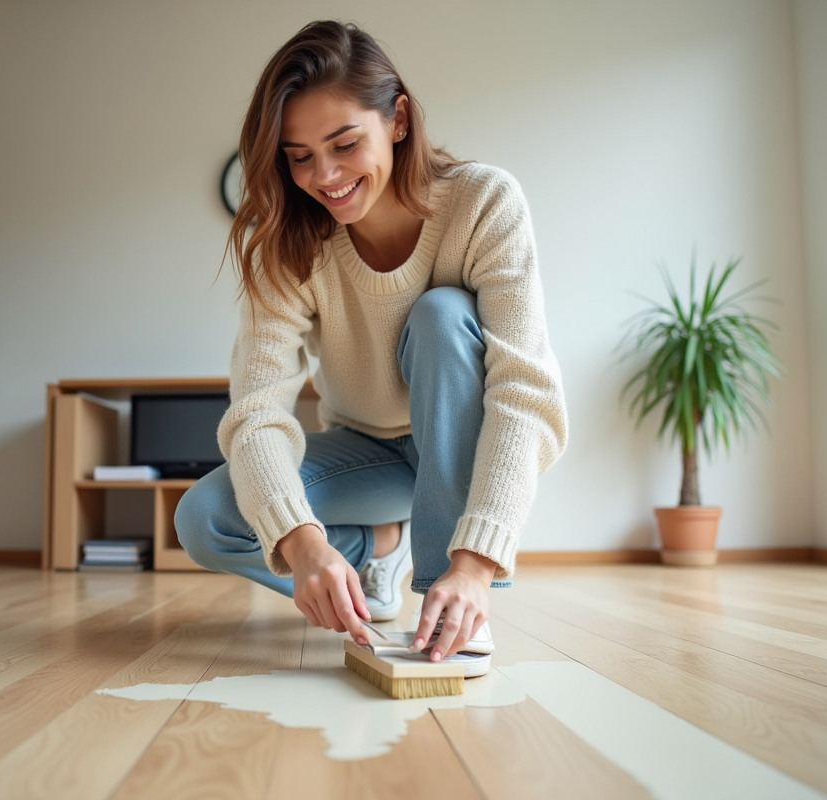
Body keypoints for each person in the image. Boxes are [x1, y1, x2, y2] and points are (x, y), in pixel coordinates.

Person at [175, 20, 568, 672]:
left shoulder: (482, 202)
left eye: (344, 143)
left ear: (399, 120)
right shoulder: (290, 247)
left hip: (459, 448)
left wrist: (474, 566)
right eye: (299, 156)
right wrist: (304, 547)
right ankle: (381, 550)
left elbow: (524, 390)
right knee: (206, 519)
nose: (323, 175)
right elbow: (256, 413)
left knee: (443, 315)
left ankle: (448, 598)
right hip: (370, 458)